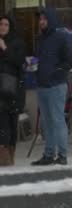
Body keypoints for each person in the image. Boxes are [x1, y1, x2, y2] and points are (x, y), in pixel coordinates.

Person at [31, 7, 72, 166]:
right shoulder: (40, 38)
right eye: (40, 19)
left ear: (51, 20)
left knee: (57, 120)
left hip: (56, 85)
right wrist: (33, 65)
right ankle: (49, 154)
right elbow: (39, 59)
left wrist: (57, 72)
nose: (41, 21)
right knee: (46, 122)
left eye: (44, 19)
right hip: (42, 85)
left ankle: (62, 155)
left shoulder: (61, 37)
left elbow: (71, 60)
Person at [0, 15, 25, 166]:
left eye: (6, 24)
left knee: (11, 123)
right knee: (1, 122)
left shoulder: (17, 43)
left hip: (13, 89)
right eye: (0, 24)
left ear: (11, 27)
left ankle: (10, 157)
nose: (2, 27)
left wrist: (4, 48)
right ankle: (4, 158)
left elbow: (19, 62)